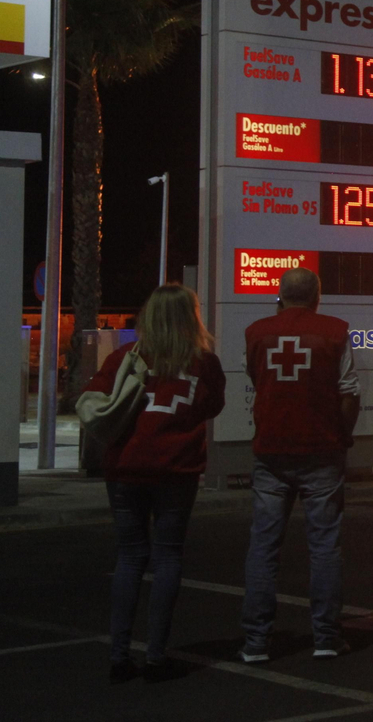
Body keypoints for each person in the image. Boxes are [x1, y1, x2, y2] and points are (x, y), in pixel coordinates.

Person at [85, 284, 226, 684]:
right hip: (176, 471)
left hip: (126, 469)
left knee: (130, 557)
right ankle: (156, 657)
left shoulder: (123, 358)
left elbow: (93, 402)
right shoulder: (204, 363)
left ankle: (118, 655)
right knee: (167, 557)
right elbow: (213, 406)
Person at [240, 267, 361, 662]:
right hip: (321, 449)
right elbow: (349, 392)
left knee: (264, 547)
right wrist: (342, 436)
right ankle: (326, 637)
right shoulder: (335, 331)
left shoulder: (256, 332)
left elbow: (258, 381)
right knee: (324, 546)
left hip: (271, 450)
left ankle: (256, 642)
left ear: (279, 295)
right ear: (317, 296)